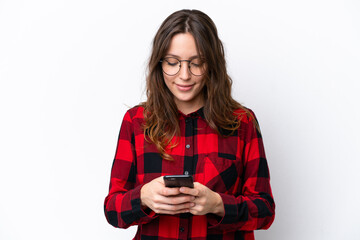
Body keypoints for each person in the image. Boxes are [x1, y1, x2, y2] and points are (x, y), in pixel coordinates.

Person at [104, 9, 275, 240]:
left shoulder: (242, 123)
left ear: (212, 65)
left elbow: (265, 211)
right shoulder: (136, 121)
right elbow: (113, 211)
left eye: (196, 63)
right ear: (159, 63)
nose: (184, 75)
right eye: (173, 63)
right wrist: (143, 197)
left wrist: (218, 204)